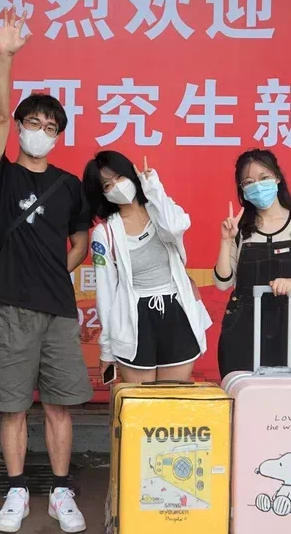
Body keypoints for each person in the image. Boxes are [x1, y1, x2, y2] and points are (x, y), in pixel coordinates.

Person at [0, 9, 94, 534]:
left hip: (59, 312)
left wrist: (53, 268)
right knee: (12, 408)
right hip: (11, 309)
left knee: (61, 407)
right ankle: (17, 491)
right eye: (35, 124)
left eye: (51, 128)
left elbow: (81, 242)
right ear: (21, 128)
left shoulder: (70, 185)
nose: (41, 133)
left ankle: (61, 493)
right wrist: (5, 56)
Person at [83, 151, 211, 384]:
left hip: (176, 310)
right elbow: (106, 295)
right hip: (135, 319)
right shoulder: (105, 233)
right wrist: (107, 350)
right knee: (141, 401)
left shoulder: (159, 210)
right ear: (102, 194)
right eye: (108, 185)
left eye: (120, 177)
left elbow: (176, 226)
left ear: (132, 174)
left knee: (174, 398)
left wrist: (153, 188)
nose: (117, 187)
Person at [213, 148, 291, 376]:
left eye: (264, 178)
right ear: (243, 190)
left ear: (277, 178)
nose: (257, 185)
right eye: (249, 182)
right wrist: (226, 240)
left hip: (287, 326)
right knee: (242, 392)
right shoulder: (239, 227)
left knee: (282, 392)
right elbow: (223, 283)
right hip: (242, 327)